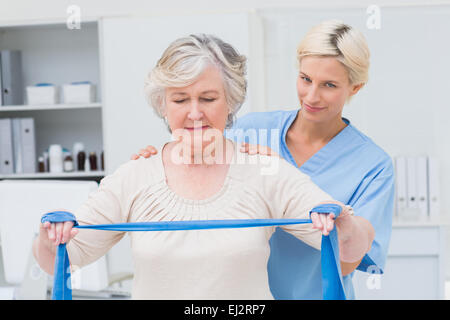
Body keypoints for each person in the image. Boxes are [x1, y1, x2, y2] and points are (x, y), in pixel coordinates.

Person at [33, 33, 374, 300]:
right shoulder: (134, 176)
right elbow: (62, 259)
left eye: (208, 99)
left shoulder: (265, 170)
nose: (194, 113)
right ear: (163, 106)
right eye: (180, 100)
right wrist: (52, 237)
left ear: (231, 102)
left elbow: (349, 245)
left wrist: (344, 222)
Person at [132, 20, 394, 300]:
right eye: (305, 79)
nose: (312, 95)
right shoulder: (251, 131)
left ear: (355, 88)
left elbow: (347, 262)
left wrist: (284, 187)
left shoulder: (373, 165)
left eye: (329, 85)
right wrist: (161, 161)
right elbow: (194, 177)